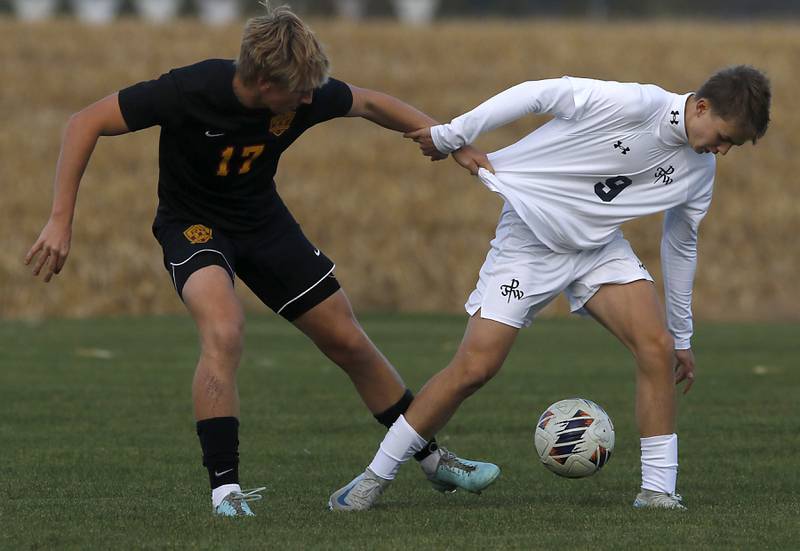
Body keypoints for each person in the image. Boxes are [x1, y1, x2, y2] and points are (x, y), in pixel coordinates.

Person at [24, 4, 500, 517]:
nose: (308, 98)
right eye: (297, 91)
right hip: (193, 226)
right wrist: (59, 220)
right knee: (224, 330)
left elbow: (369, 103)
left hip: (264, 224)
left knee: (348, 340)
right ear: (260, 81)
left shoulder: (304, 92)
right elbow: (84, 123)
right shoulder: (191, 89)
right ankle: (226, 492)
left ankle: (430, 459)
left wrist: (448, 139)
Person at [330, 65, 771, 511]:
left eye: (732, 144)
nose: (723, 150)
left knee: (657, 348)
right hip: (529, 238)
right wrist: (454, 133)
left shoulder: (700, 172)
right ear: (700, 106)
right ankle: (373, 477)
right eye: (724, 136)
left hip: (597, 248)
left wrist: (683, 334)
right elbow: (537, 93)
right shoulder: (636, 104)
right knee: (475, 368)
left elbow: (681, 245)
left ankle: (657, 492)